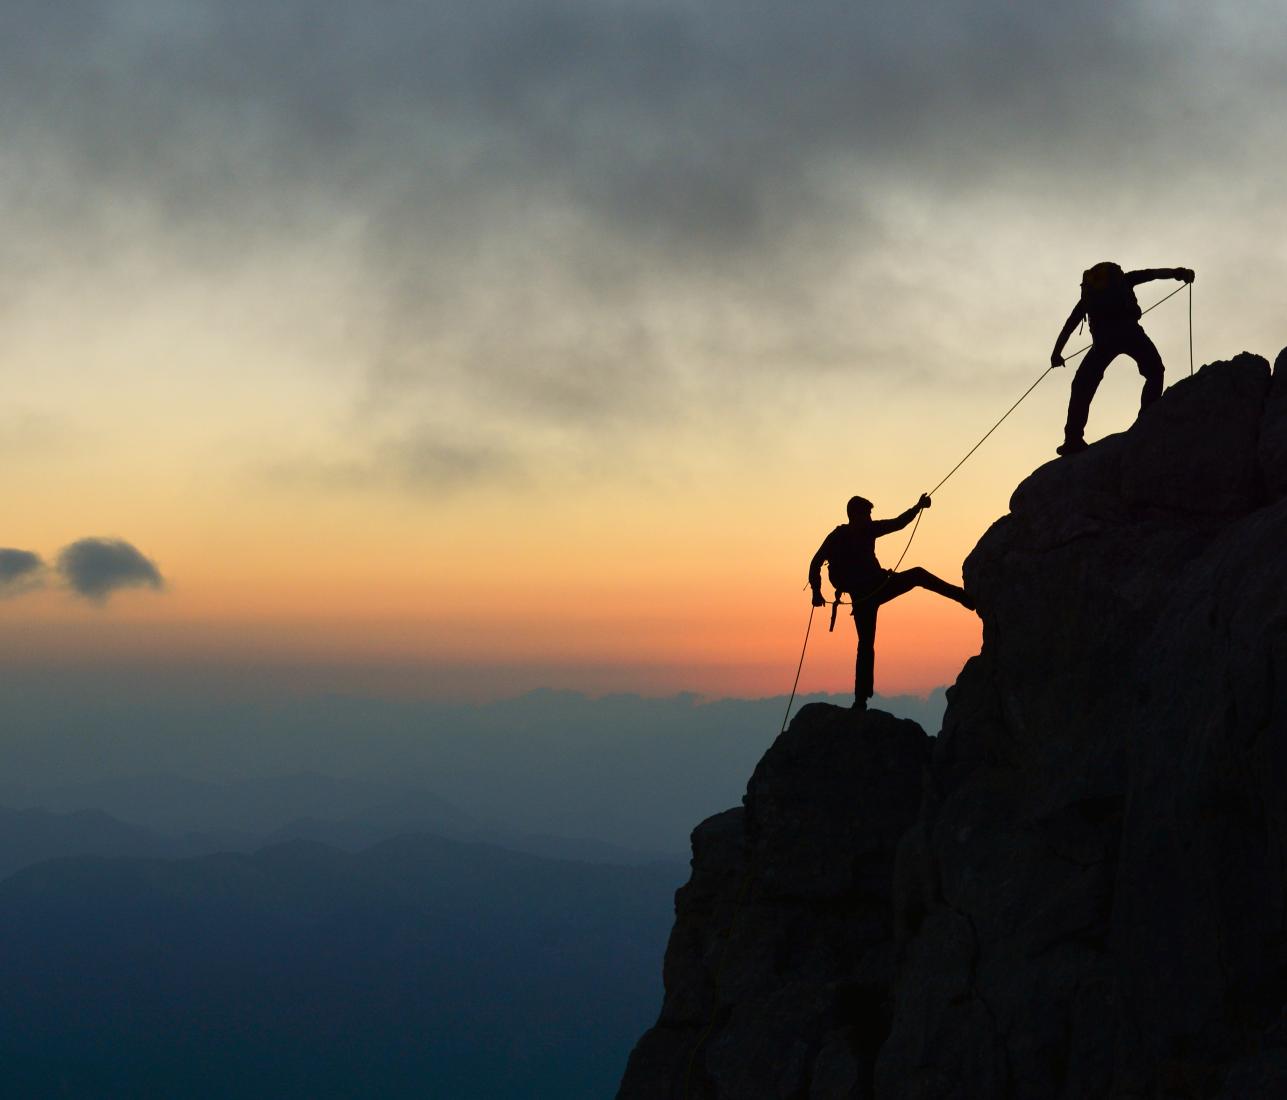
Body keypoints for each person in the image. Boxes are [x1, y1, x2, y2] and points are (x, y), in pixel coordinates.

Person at [808, 493, 974, 709]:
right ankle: (860, 699)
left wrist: (918, 507)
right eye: (866, 514)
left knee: (916, 577)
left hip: (872, 591)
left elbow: (898, 524)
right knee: (867, 643)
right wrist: (816, 592)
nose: (869, 518)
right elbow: (816, 562)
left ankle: (963, 597)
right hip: (869, 594)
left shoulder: (850, 533)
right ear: (855, 515)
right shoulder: (848, 534)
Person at [1051, 261, 1195, 456]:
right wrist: (1179, 273)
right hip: (1130, 332)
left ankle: (1072, 439)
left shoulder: (1089, 297)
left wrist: (1056, 353)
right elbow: (1153, 274)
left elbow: (1069, 325)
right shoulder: (1126, 280)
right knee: (1154, 371)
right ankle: (1147, 418)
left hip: (1103, 342)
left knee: (1082, 385)